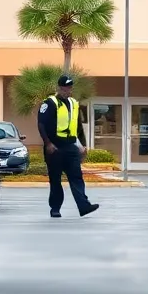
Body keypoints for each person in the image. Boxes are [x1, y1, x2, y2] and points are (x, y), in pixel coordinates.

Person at [37, 75, 100, 219]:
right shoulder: (49, 103)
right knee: (55, 179)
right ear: (58, 88)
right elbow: (41, 125)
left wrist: (83, 145)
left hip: (70, 146)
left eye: (69, 87)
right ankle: (55, 208)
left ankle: (84, 206)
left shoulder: (74, 104)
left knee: (77, 177)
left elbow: (78, 127)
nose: (67, 90)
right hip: (55, 147)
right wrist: (48, 143)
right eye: (64, 87)